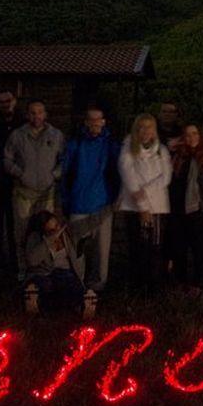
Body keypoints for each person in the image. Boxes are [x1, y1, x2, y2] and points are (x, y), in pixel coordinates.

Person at [61, 106, 120, 294]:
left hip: (102, 205)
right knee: (77, 252)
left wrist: (114, 198)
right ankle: (77, 287)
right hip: (78, 204)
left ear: (104, 121)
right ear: (86, 122)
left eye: (98, 119)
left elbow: (120, 171)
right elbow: (65, 174)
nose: (95, 123)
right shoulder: (75, 144)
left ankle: (96, 291)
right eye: (91, 119)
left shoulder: (111, 145)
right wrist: (66, 202)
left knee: (101, 252)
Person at [5, 99, 64, 280]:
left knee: (47, 232)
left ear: (45, 114)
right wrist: (20, 174)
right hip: (23, 192)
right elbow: (7, 159)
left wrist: (54, 175)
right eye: (32, 112)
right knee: (22, 233)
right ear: (27, 115)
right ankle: (23, 270)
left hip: (46, 192)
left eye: (39, 112)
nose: (36, 116)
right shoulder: (17, 135)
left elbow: (64, 159)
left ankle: (45, 269)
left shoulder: (56, 135)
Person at [118, 112, 172, 297]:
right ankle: (136, 287)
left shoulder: (161, 150)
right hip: (134, 207)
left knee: (155, 248)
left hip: (158, 207)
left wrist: (146, 191)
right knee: (137, 248)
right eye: (142, 127)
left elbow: (166, 177)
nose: (146, 131)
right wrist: (142, 205)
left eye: (149, 127)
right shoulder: (128, 149)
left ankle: (154, 288)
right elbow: (129, 176)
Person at [22, 210, 95, 317]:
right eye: (52, 230)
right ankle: (34, 299)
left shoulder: (67, 234)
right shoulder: (35, 237)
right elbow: (32, 261)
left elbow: (78, 255)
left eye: (57, 225)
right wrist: (48, 241)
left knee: (70, 286)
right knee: (46, 285)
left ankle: (81, 304)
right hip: (43, 274)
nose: (57, 231)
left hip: (64, 272)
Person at [167, 122, 203, 291]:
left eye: (195, 133)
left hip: (196, 210)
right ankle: (181, 281)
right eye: (188, 134)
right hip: (177, 208)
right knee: (180, 247)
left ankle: (198, 283)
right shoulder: (178, 157)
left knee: (198, 249)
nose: (192, 137)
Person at [0, 89, 25, 276]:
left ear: (14, 101)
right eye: (1, 101)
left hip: (17, 182)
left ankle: (17, 262)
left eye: (8, 100)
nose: (6, 104)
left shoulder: (23, 123)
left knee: (15, 225)